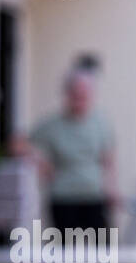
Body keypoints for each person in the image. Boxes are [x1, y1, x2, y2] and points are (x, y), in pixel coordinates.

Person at [22, 65, 119, 231]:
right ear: (67, 94)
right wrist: (40, 162)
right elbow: (20, 143)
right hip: (63, 198)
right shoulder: (52, 124)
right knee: (66, 254)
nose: (80, 100)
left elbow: (108, 160)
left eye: (84, 96)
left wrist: (111, 189)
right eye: (76, 96)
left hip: (94, 196)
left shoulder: (100, 123)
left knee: (104, 252)